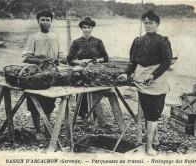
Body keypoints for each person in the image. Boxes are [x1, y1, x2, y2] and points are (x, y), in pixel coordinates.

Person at [118, 10, 172, 155]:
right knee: (149, 112)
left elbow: (166, 62)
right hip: (142, 80)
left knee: (153, 114)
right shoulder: (138, 41)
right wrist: (126, 73)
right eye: (146, 23)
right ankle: (153, 141)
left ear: (157, 24)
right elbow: (133, 62)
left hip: (157, 81)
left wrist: (153, 75)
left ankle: (149, 147)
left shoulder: (163, 40)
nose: (148, 25)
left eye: (151, 23)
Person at [23, 10, 61, 141]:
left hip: (51, 73)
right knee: (34, 102)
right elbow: (26, 57)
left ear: (51, 22)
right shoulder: (33, 37)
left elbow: (59, 55)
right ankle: (38, 131)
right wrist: (40, 60)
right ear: (38, 21)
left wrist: (62, 60)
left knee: (49, 102)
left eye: (47, 20)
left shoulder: (55, 37)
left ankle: (47, 128)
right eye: (42, 20)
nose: (45, 22)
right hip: (35, 74)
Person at [67, 17, 109, 127]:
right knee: (81, 93)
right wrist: (79, 62)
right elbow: (69, 59)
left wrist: (97, 60)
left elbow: (105, 58)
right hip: (81, 70)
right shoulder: (76, 42)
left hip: (94, 70)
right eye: (84, 27)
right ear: (81, 28)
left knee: (95, 93)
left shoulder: (98, 42)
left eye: (89, 27)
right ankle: (83, 116)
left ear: (92, 28)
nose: (86, 30)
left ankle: (96, 117)